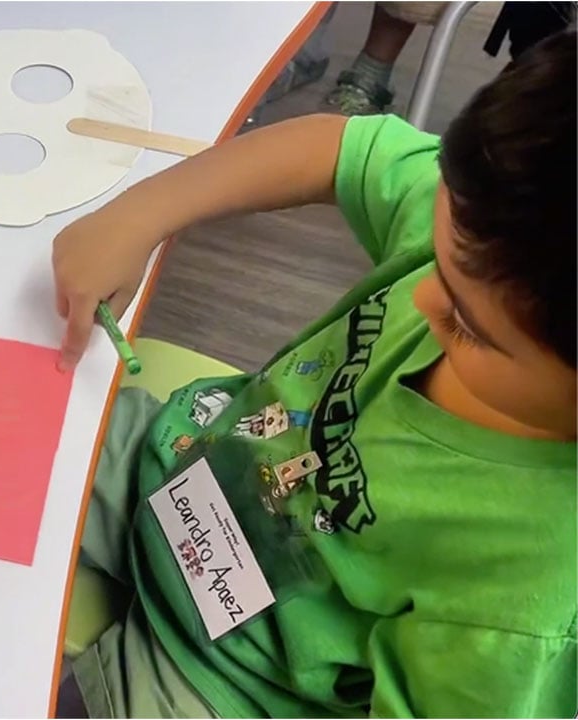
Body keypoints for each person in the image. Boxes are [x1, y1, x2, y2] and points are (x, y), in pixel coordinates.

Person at [51, 27, 576, 719]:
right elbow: (339, 150)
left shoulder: (527, 602)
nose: (419, 298)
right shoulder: (504, 233)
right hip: (178, 464)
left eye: (467, 327)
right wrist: (140, 213)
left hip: (230, 685)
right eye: (438, 260)